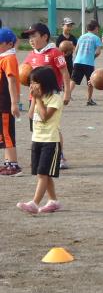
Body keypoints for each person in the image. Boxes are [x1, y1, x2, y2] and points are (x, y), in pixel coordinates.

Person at [21, 23, 71, 169]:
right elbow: (24, 76)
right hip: (35, 97)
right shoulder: (30, 55)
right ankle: (40, 155)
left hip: (51, 96)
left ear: (45, 37)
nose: (31, 39)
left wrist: (67, 92)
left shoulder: (54, 52)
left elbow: (65, 73)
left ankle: (59, 156)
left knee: (53, 128)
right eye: (29, 36)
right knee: (37, 126)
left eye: (34, 35)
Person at [17, 67, 64, 213]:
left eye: (35, 82)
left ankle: (34, 203)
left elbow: (44, 117)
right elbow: (31, 115)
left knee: (43, 173)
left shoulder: (55, 98)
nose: (32, 85)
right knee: (42, 173)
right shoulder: (38, 98)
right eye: (31, 82)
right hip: (37, 139)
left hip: (50, 141)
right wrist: (34, 98)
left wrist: (37, 99)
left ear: (46, 82)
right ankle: (53, 201)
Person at [0, 28, 22, 176]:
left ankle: (13, 165)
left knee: (7, 134)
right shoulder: (4, 56)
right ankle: (8, 162)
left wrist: (14, 103)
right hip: (2, 103)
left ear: (8, 44)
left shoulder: (9, 58)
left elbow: (12, 80)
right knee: (3, 133)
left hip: (6, 103)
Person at [69, 20, 102, 106]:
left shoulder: (81, 37)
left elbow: (76, 50)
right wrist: (92, 57)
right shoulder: (96, 38)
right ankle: (89, 99)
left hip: (78, 61)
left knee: (73, 80)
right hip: (89, 63)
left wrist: (79, 56)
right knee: (90, 81)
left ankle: (67, 95)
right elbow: (98, 52)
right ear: (96, 28)